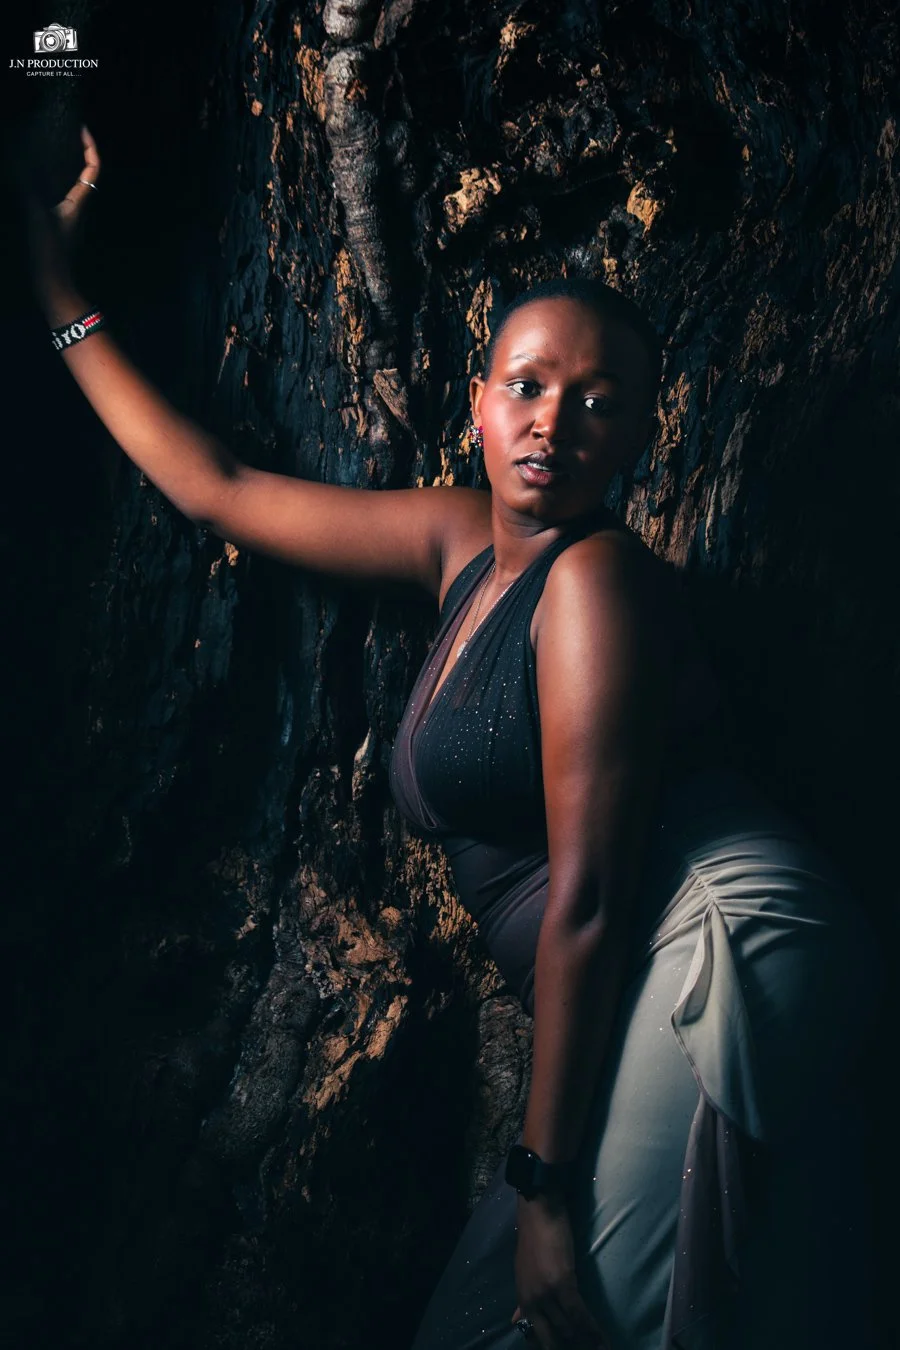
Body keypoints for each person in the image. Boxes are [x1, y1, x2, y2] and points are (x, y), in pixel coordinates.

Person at [21, 129, 882, 1350]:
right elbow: (219, 488)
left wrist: (542, 1186)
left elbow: (588, 898)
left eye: (597, 403)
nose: (552, 423)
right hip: (652, 955)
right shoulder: (460, 541)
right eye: (526, 386)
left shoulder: (595, 584)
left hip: (715, 947)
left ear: (641, 435)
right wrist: (56, 291)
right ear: (478, 402)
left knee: (557, 1312)